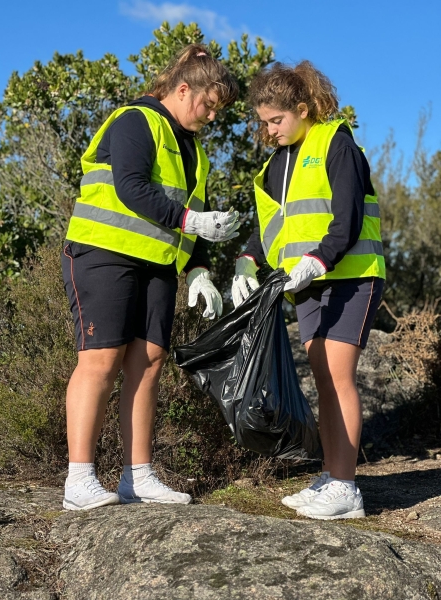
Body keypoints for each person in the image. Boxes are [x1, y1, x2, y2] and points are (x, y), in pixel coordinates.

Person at [61, 43, 239, 510]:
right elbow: (131, 187)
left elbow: (194, 215)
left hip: (156, 264)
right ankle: (78, 479)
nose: (212, 117)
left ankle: (136, 476)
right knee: (100, 359)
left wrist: (199, 270)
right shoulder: (135, 120)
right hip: (103, 254)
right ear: (184, 89)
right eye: (209, 105)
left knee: (151, 359)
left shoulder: (194, 151)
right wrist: (191, 222)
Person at [232, 61, 385, 520]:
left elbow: (348, 218)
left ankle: (346, 487)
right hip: (309, 285)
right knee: (322, 377)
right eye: (263, 122)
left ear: (302, 108)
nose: (270, 130)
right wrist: (247, 260)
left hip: (350, 276)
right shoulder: (277, 163)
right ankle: (333, 474)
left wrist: (318, 259)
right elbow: (271, 229)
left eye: (276, 120)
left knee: (338, 377)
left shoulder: (335, 142)